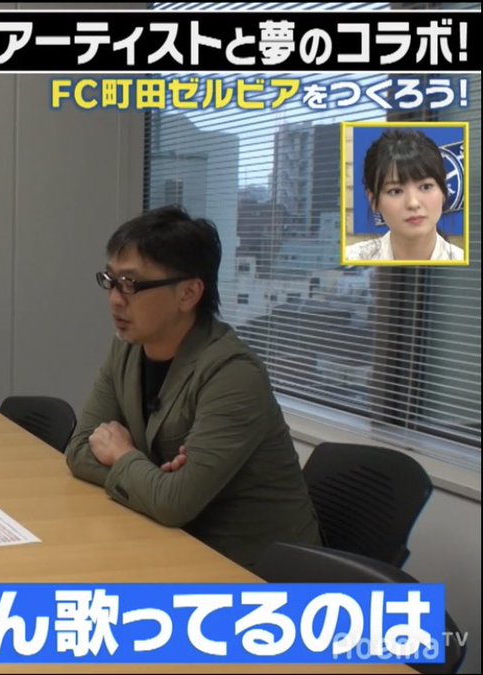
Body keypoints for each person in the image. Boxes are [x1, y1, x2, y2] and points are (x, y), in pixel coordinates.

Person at [65, 206, 321, 570]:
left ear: (188, 294)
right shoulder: (127, 348)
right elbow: (78, 450)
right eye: (111, 280)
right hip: (171, 545)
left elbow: (174, 504)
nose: (115, 299)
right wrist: (155, 482)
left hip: (253, 570)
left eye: (131, 284)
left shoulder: (233, 374)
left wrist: (123, 456)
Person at [344, 128, 465, 262]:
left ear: (443, 192)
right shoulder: (351, 259)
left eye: (426, 187)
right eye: (395, 191)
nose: (413, 203)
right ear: (373, 200)